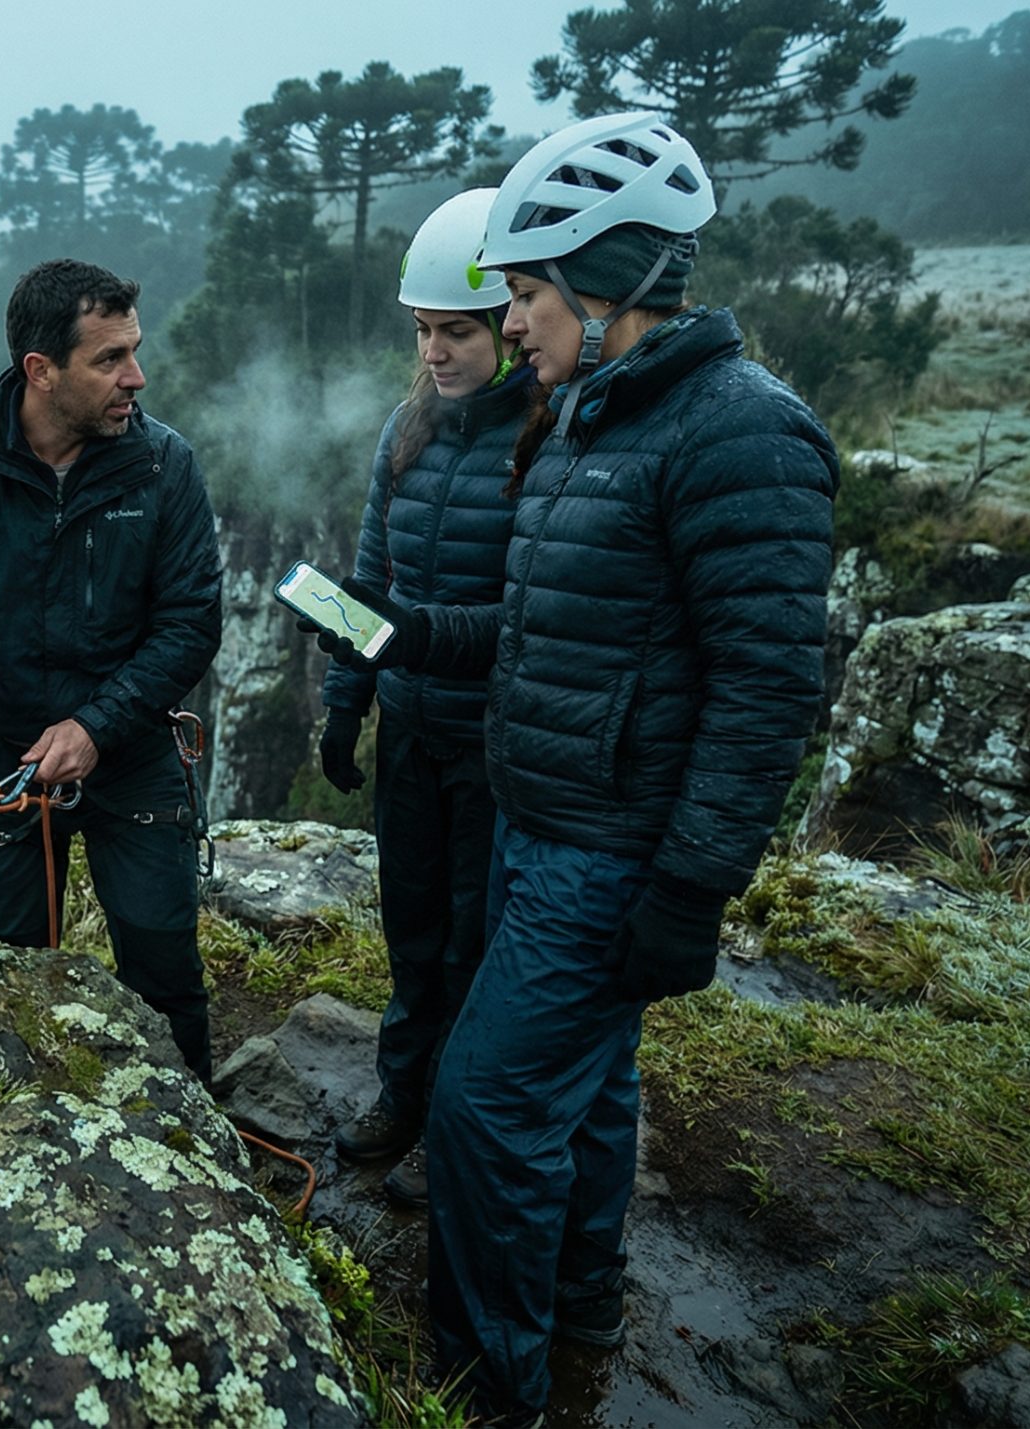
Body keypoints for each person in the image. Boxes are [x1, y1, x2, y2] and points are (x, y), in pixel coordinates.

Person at [321, 112, 837, 1425]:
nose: (512, 323)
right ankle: (585, 1310)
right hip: (537, 817)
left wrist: (694, 885)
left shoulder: (741, 431)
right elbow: (536, 629)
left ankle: (487, 1384)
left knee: (488, 1110)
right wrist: (391, 642)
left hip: (605, 849)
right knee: (592, 1084)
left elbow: (768, 684)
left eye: (528, 294)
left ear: (607, 287)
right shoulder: (586, 425)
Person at [0, 258, 225, 1081]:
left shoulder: (165, 468)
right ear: (41, 370)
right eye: (109, 359)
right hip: (4, 758)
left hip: (133, 754)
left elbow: (189, 624)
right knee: (16, 966)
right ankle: (35, 1119)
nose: (137, 376)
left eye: (134, 350)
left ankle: (195, 1136)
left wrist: (97, 724)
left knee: (164, 961)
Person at [315, 188, 536, 1208]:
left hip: (491, 747)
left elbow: (539, 611)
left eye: (456, 331)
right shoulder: (406, 430)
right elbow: (372, 574)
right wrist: (344, 700)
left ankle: (453, 1124)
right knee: (410, 927)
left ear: (506, 325)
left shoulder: (551, 437)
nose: (436, 351)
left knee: (471, 939)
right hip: (408, 728)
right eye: (423, 331)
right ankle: (402, 1095)